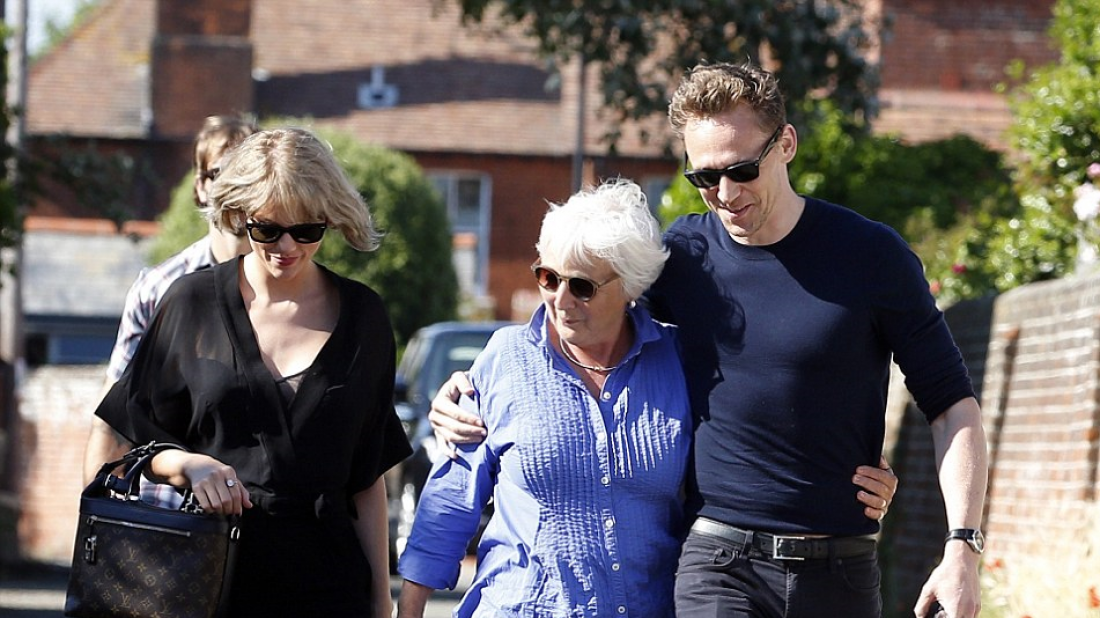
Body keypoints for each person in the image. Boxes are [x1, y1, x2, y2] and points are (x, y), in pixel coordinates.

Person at [431, 61, 982, 618]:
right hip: (719, 563)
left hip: (841, 566)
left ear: (786, 144)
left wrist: (962, 545)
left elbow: (952, 406)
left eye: (742, 170)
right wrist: (472, 386)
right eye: (704, 177)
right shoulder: (682, 260)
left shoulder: (873, 258)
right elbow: (585, 330)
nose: (724, 193)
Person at [94, 127, 411, 618]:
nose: (287, 246)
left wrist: (381, 602)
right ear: (241, 216)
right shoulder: (191, 302)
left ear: (329, 219)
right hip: (209, 579)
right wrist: (187, 465)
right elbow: (126, 445)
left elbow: (367, 479)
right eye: (267, 229)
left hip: (330, 586)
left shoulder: (364, 316)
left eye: (306, 230)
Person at [397, 179, 693, 618]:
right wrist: (409, 611)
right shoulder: (506, 359)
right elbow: (451, 500)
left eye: (582, 286)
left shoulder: (678, 362)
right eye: (548, 278)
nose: (560, 300)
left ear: (630, 286)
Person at [83, 114, 257, 498]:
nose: (235, 188)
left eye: (248, 175)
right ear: (201, 186)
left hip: (252, 509)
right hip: (164, 514)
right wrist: (97, 513)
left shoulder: (289, 291)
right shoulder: (158, 288)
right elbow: (112, 421)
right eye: (221, 174)